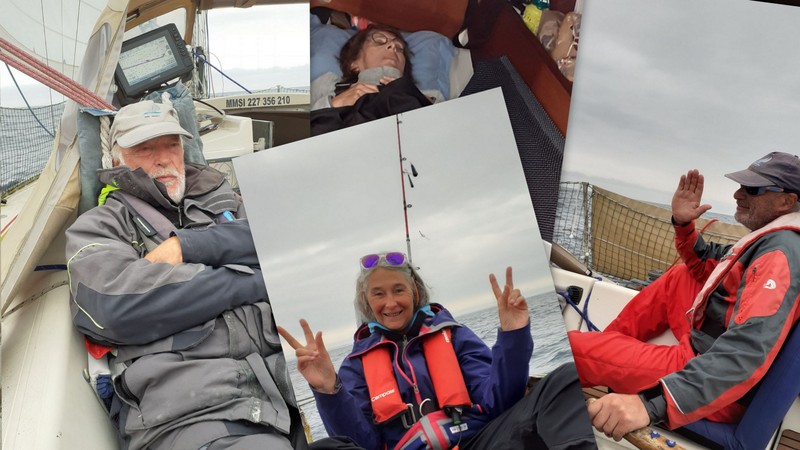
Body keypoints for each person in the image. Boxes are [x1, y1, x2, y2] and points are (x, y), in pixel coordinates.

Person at [66, 100, 305, 450]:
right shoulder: (100, 227)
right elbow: (113, 307)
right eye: (145, 149)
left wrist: (189, 247)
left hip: (292, 376)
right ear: (116, 161)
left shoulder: (229, 202)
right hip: (195, 407)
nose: (164, 159)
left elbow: (295, 235)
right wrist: (254, 279)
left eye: (171, 145)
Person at [569, 152, 800, 441]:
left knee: (575, 349)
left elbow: (746, 353)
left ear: (786, 201)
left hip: (710, 381)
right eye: (742, 185)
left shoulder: (780, 254)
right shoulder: (773, 240)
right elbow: (705, 264)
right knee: (681, 277)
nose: (737, 194)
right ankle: (609, 352)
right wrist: (683, 224)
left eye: (752, 189)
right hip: (706, 347)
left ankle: (600, 357)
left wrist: (651, 404)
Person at [279, 252, 596, 450]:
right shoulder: (355, 365)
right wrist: (328, 391)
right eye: (378, 294)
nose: (391, 302)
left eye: (399, 290)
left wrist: (513, 335)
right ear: (366, 302)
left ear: (415, 293)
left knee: (566, 378)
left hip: (475, 441)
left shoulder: (453, 335)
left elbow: (499, 401)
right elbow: (361, 443)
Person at [311, 24, 431, 135]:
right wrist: (335, 103)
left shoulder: (429, 99)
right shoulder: (327, 87)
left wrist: (416, 99)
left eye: (399, 48)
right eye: (379, 41)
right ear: (353, 63)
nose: (393, 46)